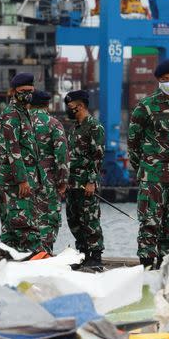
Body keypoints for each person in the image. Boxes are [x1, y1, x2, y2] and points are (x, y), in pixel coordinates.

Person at [127, 58, 169, 268]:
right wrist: (144, 169)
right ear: (159, 81)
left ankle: (167, 267)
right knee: (149, 223)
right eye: (166, 79)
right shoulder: (145, 107)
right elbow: (133, 144)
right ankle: (146, 267)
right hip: (153, 176)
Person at [0, 73, 43, 254]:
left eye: (30, 91)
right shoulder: (11, 114)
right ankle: (36, 255)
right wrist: (22, 179)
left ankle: (9, 258)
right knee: (23, 220)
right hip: (15, 178)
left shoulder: (24, 112)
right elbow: (13, 149)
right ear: (14, 92)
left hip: (26, 174)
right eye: (23, 91)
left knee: (11, 224)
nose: (28, 94)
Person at [64, 89, 105, 268]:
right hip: (72, 184)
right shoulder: (74, 129)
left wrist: (91, 182)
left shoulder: (94, 127)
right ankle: (83, 254)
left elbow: (97, 157)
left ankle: (95, 256)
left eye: (70, 107)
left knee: (90, 220)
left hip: (86, 184)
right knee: (74, 220)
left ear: (80, 106)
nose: (68, 110)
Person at [29, 90, 68, 253]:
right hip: (48, 180)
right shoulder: (53, 124)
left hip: (24, 179)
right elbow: (61, 155)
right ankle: (45, 252)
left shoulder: (20, 123)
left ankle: (28, 252)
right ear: (47, 104)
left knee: (28, 214)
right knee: (48, 216)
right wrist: (62, 181)